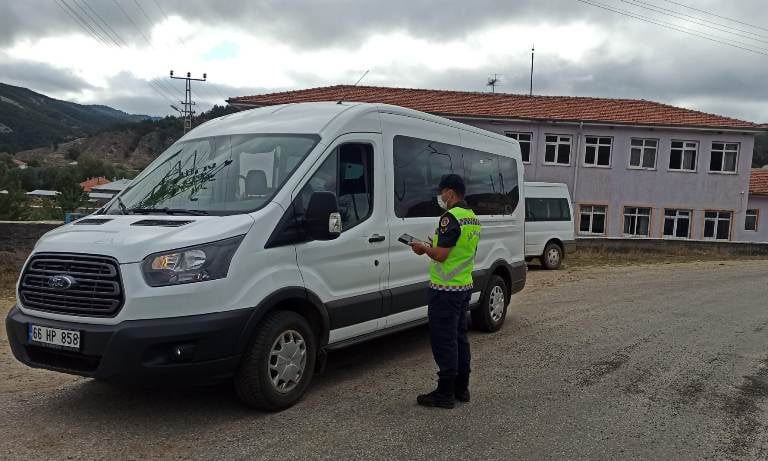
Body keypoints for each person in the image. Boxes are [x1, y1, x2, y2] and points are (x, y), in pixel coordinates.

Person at [410, 174, 481, 409]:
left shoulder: (450, 217)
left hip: (445, 290)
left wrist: (423, 248)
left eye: (442, 193)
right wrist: (434, 246)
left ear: (450, 193)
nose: (440, 197)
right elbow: (460, 250)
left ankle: (444, 394)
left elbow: (441, 255)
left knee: (445, 341)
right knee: (460, 338)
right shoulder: (471, 218)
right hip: (463, 286)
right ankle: (462, 388)